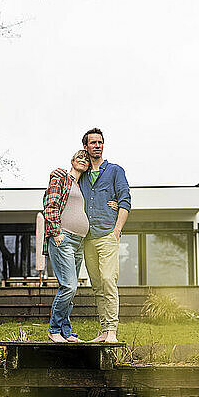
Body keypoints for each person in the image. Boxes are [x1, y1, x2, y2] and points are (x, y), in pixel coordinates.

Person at [79, 128, 131, 343]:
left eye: (100, 142)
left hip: (107, 234)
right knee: (98, 286)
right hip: (87, 238)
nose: (97, 145)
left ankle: (112, 332)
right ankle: (104, 330)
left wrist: (117, 230)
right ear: (86, 147)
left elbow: (125, 201)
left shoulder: (115, 171)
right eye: (93, 143)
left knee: (109, 280)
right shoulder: (81, 174)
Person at [42, 150, 91, 342]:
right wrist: (56, 232)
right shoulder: (61, 177)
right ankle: (54, 330)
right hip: (64, 238)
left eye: (86, 160)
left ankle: (66, 332)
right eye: (80, 157)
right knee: (68, 286)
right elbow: (51, 204)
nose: (84, 161)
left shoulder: (81, 186)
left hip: (79, 242)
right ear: (72, 161)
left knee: (71, 288)